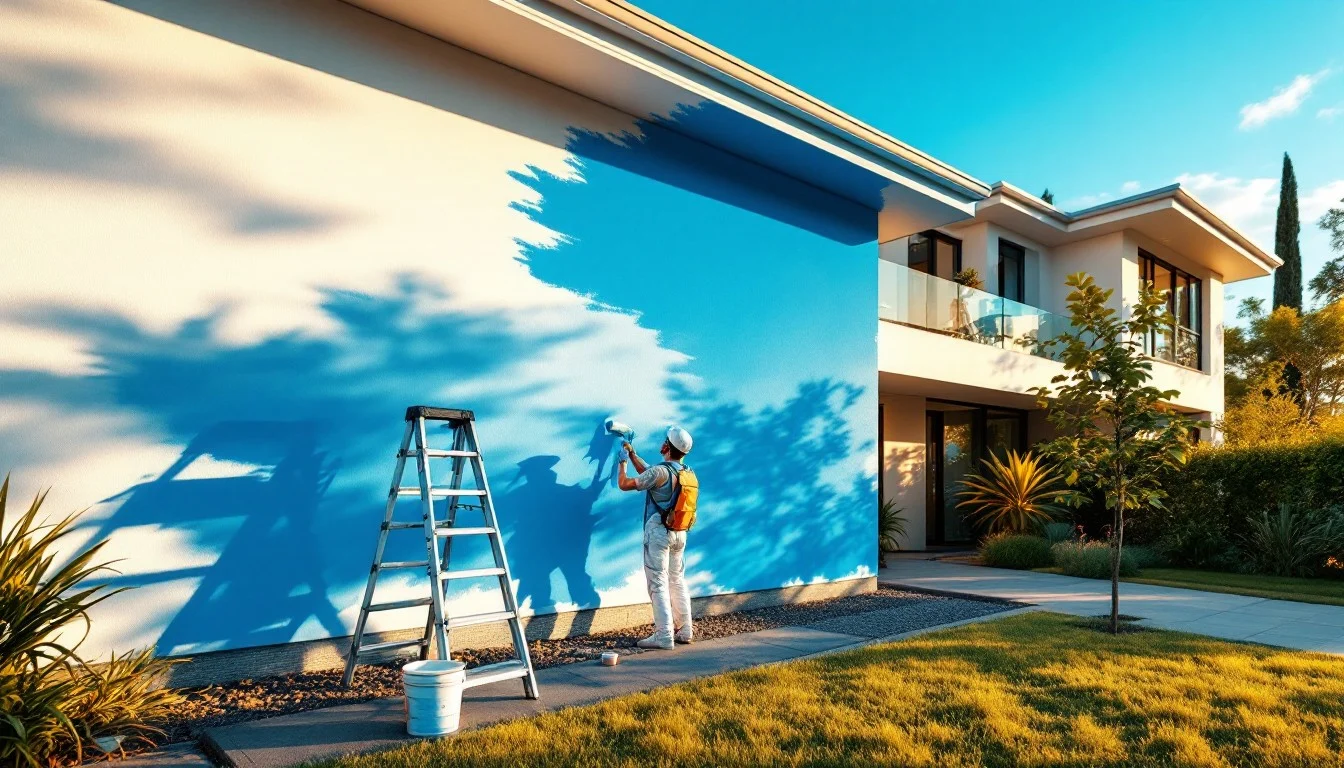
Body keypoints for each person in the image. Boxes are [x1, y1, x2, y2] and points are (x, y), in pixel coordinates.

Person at [616, 426, 695, 650]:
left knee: (658, 583)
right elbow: (648, 473)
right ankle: (685, 629)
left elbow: (625, 484)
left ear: (666, 447)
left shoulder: (660, 472)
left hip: (659, 533)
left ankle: (663, 635)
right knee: (677, 580)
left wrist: (621, 462)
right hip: (679, 532)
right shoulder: (686, 472)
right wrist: (632, 454)